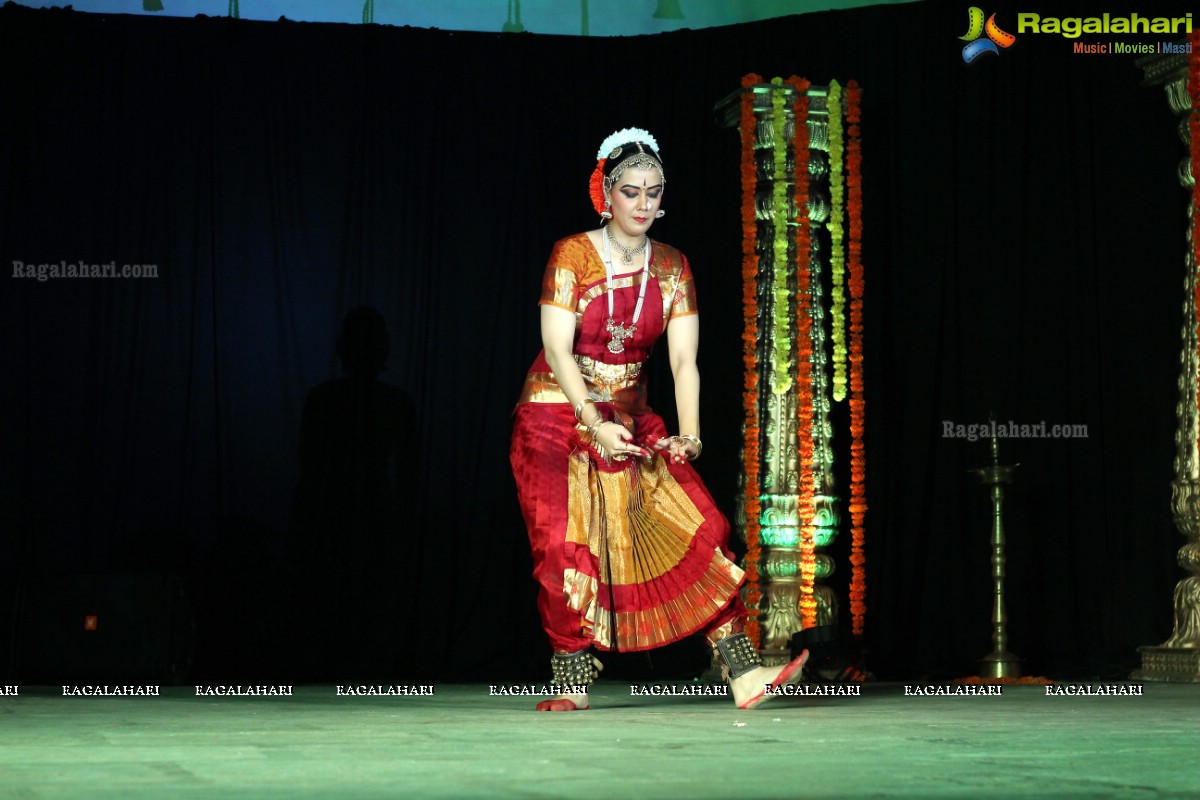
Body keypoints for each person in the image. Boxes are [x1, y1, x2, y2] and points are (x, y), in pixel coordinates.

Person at [510, 127, 808, 711]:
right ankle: (570, 684)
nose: (644, 205)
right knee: (559, 546)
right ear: (606, 193)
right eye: (631, 192)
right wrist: (593, 423)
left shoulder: (672, 266)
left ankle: (744, 674)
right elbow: (558, 348)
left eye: (654, 192)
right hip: (555, 412)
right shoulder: (572, 254)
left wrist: (689, 434)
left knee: (701, 526)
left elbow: (683, 360)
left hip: (632, 414)